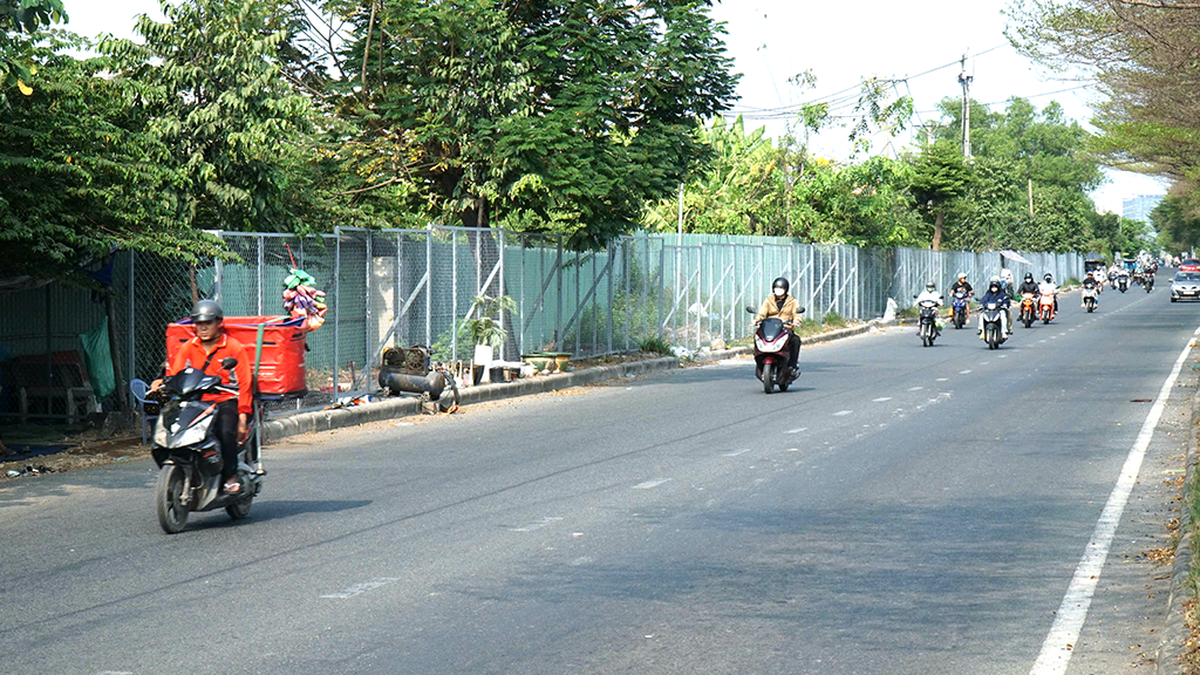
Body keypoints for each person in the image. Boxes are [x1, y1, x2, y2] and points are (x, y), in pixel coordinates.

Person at [151, 300, 252, 494]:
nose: (203, 327)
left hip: (224, 400)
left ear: (219, 323)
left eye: (208, 322)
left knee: (224, 431)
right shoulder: (189, 347)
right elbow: (176, 373)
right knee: (168, 426)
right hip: (195, 401)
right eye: (198, 323)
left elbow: (245, 383)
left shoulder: (233, 347)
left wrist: (242, 415)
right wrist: (162, 383)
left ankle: (231, 475)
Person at [753, 276, 801, 376]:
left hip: (785, 328)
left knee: (795, 340)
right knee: (757, 337)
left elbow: (796, 314)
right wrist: (757, 320)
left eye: (781, 289)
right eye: (776, 288)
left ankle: (792, 365)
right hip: (769, 329)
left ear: (786, 289)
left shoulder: (792, 301)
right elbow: (762, 313)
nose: (778, 291)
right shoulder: (769, 300)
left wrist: (796, 321)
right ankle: (759, 360)